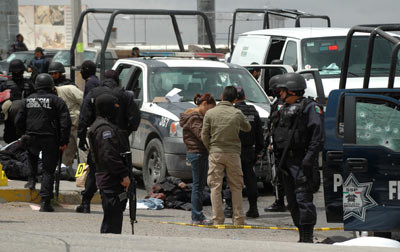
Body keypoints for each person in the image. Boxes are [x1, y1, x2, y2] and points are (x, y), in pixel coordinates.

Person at [76, 70, 140, 213]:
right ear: (118, 80)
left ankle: (86, 202)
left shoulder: (94, 93)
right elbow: (135, 119)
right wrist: (125, 132)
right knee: (123, 169)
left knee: (94, 168)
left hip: (98, 137)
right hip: (121, 138)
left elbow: (84, 116)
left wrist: (81, 137)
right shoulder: (125, 95)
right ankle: (121, 202)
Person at [272, 72, 324, 243]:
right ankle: (301, 233)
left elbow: (317, 136)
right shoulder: (281, 107)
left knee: (303, 199)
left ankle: (307, 236)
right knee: (292, 201)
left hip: (301, 161)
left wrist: (309, 158)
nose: (280, 94)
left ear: (292, 91)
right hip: (285, 162)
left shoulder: (310, 108)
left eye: (282, 91)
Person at [15, 73, 71, 212]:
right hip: (50, 138)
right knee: (48, 170)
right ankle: (45, 201)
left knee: (32, 157)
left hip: (31, 136)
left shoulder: (28, 100)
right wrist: (64, 141)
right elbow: (65, 123)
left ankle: (31, 181)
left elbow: (18, 120)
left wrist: (24, 133)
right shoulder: (57, 101)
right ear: (51, 85)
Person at [201, 86, 251, 225]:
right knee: (236, 186)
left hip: (215, 152)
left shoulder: (210, 113)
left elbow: (204, 134)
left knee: (215, 187)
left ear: (221, 96)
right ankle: (239, 219)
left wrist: (210, 148)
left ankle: (218, 219)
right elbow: (247, 128)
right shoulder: (237, 113)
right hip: (233, 154)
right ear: (235, 99)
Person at [88, 93, 130, 234]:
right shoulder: (104, 129)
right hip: (110, 178)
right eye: (115, 106)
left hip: (109, 177)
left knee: (113, 217)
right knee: (112, 220)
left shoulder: (102, 125)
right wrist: (123, 174)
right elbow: (109, 155)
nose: (117, 108)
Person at [179, 93, 216, 225]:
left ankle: (197, 215)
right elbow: (201, 135)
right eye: (210, 109)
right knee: (198, 186)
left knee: (199, 186)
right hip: (198, 153)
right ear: (204, 104)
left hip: (197, 153)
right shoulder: (195, 118)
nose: (209, 113)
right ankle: (197, 216)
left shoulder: (193, 116)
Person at [264, 74, 286, 212]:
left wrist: (270, 141)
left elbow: (273, 124)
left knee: (277, 175)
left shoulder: (279, 104)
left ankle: (279, 201)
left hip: (279, 144)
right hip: (286, 144)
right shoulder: (287, 103)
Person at [1, 59, 34, 143]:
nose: (17, 73)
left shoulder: (29, 84)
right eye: (16, 72)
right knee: (11, 140)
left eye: (19, 71)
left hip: (27, 117)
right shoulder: (5, 85)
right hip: (11, 119)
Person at [55, 83, 83, 168]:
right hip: (68, 128)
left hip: (79, 126)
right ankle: (66, 171)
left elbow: (85, 102)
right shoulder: (54, 99)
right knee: (68, 152)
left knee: (82, 152)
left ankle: (82, 174)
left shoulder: (69, 89)